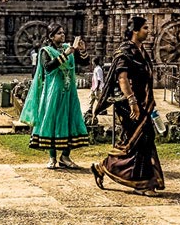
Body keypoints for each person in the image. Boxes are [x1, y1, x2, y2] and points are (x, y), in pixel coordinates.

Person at [91, 16, 165, 195]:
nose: (148, 31)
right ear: (135, 31)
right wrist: (132, 102)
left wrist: (148, 103)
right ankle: (143, 184)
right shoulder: (125, 52)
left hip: (143, 104)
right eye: (145, 28)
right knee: (139, 140)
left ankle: (103, 167)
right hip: (128, 104)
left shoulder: (142, 52)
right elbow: (122, 78)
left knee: (140, 141)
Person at [20, 24, 88, 170]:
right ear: (51, 37)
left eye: (63, 33)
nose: (62, 35)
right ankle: (52, 157)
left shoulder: (67, 48)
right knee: (52, 120)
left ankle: (65, 156)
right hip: (53, 91)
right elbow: (48, 67)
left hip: (69, 91)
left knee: (70, 120)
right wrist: (66, 55)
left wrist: (82, 51)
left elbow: (84, 63)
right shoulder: (46, 51)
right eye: (59, 33)